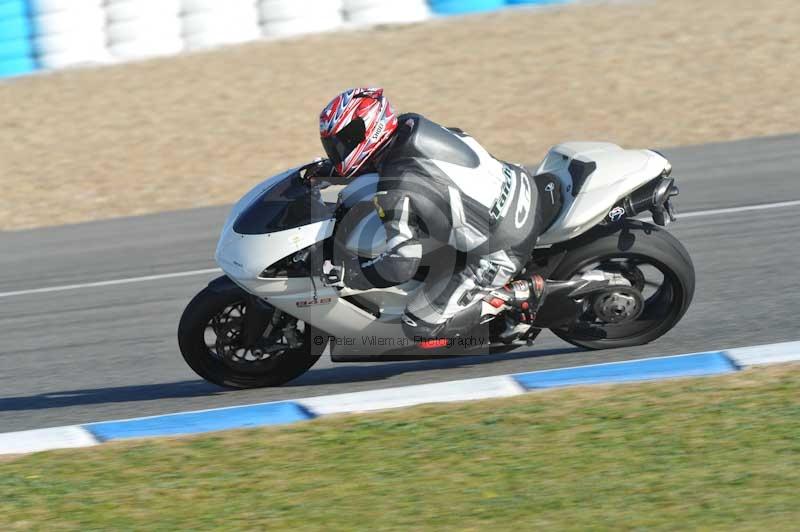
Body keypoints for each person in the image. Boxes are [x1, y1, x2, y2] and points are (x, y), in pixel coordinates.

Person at [317, 87, 560, 344]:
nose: (339, 150)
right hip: (516, 184)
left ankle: (517, 294)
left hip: (502, 246)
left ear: (370, 129)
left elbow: (401, 264)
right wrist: (329, 169)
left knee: (419, 326)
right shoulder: (411, 126)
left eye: (344, 141)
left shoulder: (397, 186)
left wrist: (351, 275)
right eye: (334, 145)